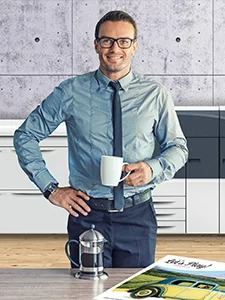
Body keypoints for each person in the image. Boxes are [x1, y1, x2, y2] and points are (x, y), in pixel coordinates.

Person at [13, 10, 188, 268]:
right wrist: (51, 189)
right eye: (107, 40)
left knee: (134, 293)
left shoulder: (155, 95)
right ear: (96, 45)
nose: (115, 48)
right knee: (87, 291)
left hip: (137, 216)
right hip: (87, 215)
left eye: (124, 41)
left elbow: (178, 148)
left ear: (135, 46)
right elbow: (26, 135)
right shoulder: (70, 92)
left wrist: (152, 169)